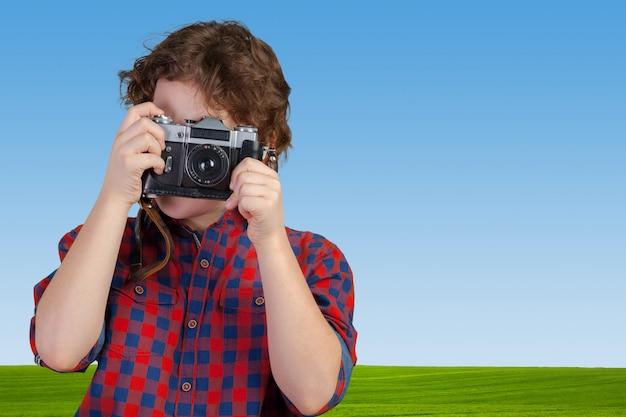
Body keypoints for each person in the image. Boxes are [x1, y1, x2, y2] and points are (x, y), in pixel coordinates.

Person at [29, 20, 357, 417]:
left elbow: (313, 395)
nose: (172, 154)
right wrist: (115, 196)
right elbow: (59, 352)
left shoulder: (312, 259)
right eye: (164, 127)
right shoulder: (107, 243)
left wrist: (270, 242)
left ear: (259, 146)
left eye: (203, 135)